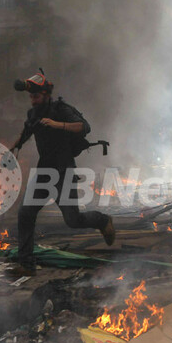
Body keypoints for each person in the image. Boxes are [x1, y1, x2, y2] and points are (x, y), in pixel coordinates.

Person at [9, 71, 114, 277]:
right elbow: (26, 132)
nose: (33, 100)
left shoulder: (61, 110)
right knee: (25, 213)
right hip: (44, 172)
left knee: (73, 220)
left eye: (36, 96)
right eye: (31, 97)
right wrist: (12, 148)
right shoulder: (33, 114)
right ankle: (26, 264)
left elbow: (84, 126)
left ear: (46, 95)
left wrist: (57, 124)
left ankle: (102, 221)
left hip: (63, 171)